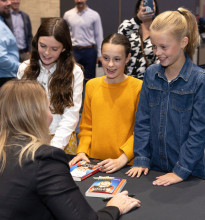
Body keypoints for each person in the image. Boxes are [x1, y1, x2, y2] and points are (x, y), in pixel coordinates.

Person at [0, 79, 141, 220]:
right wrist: (115, 207)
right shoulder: (45, 159)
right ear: (36, 115)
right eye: (48, 108)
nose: (51, 116)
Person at [126, 7, 205, 186]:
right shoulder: (151, 74)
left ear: (183, 42)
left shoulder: (200, 80)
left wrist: (180, 171)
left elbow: (199, 133)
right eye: (154, 46)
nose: (157, 53)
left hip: (188, 172)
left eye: (164, 47)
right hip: (154, 168)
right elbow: (142, 120)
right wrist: (141, 157)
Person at [69, 33, 143, 173]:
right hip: (93, 162)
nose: (110, 64)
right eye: (106, 58)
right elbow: (86, 126)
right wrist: (82, 151)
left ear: (127, 58)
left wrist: (123, 158)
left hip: (125, 164)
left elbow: (140, 131)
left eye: (117, 59)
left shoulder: (138, 87)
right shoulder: (92, 85)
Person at [17, 17, 83, 155]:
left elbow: (71, 114)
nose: (47, 53)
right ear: (36, 43)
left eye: (54, 49)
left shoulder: (74, 72)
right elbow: (21, 111)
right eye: (43, 46)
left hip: (62, 141)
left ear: (64, 48)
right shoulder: (25, 69)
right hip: (31, 140)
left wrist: (54, 147)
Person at [118, 0, 159, 80]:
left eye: (152, 6)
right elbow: (120, 34)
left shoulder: (159, 30)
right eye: (144, 5)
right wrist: (138, 19)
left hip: (147, 81)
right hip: (126, 79)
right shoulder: (130, 25)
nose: (147, 8)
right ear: (138, 8)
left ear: (155, 10)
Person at [63, 0, 103, 81]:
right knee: (72, 78)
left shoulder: (94, 15)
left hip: (89, 52)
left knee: (89, 79)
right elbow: (64, 34)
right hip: (73, 51)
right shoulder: (67, 15)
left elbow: (99, 35)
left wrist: (100, 54)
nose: (79, 1)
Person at [0, 0, 19, 87]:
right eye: (4, 0)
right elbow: (1, 58)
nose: (9, 3)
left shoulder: (2, 21)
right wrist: (20, 66)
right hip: (4, 78)